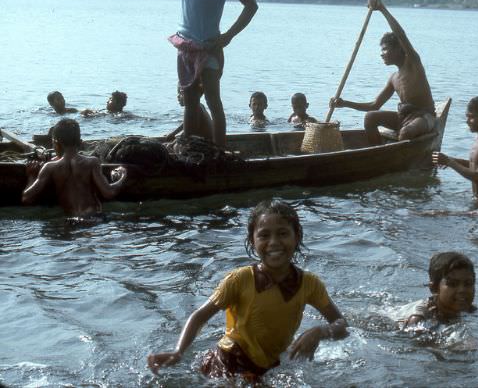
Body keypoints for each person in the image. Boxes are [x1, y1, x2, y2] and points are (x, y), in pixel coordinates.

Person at [147, 200, 348, 381]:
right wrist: (178, 351)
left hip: (271, 365)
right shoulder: (239, 280)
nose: (274, 242)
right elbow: (199, 316)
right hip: (229, 361)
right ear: (253, 242)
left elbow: (341, 325)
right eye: (264, 235)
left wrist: (321, 332)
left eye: (283, 233)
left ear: (297, 237)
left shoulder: (310, 284)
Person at [155, 0, 259, 149]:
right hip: (186, 47)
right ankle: (190, 151)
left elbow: (251, 6)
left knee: (213, 101)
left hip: (209, 47)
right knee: (190, 102)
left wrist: (227, 37)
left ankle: (221, 153)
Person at [329, 0, 435, 145]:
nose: (382, 54)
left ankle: (396, 155)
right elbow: (375, 106)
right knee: (370, 117)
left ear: (399, 49)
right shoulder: (393, 78)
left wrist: (382, 9)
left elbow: (401, 35)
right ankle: (376, 152)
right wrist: (345, 103)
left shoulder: (413, 63)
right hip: (405, 117)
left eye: (385, 49)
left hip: (425, 117)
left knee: (405, 132)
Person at [21, 118, 127, 216]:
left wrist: (31, 176)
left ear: (56, 144)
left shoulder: (49, 167)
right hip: (93, 218)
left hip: (70, 222)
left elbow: (26, 198)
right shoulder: (92, 162)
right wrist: (122, 176)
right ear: (80, 142)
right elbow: (108, 192)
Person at [433, 96, 478, 197]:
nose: (467, 121)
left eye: (472, 117)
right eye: (467, 116)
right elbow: (473, 165)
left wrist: (449, 162)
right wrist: (450, 159)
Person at [402, 252, 476, 328]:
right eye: (453, 284)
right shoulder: (418, 318)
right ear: (434, 288)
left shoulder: (470, 309)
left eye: (468, 283)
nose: (462, 290)